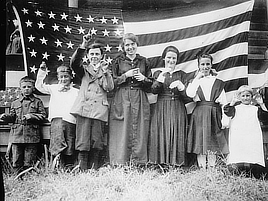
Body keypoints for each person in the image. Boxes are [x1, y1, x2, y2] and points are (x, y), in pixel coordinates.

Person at [70, 32, 114, 170]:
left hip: (99, 111)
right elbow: (74, 63)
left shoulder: (106, 70)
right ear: (88, 56)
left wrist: (106, 72)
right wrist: (84, 45)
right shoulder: (83, 70)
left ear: (102, 56)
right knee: (83, 141)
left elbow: (109, 87)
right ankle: (81, 169)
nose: (94, 57)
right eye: (92, 54)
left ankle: (94, 170)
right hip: (84, 109)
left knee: (97, 142)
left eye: (97, 54)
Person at [109, 33, 152, 165]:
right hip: (122, 96)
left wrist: (144, 79)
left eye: (132, 44)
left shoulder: (144, 61)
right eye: (127, 45)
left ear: (137, 45)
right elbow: (111, 83)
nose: (130, 47)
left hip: (139, 97)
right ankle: (120, 161)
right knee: (122, 127)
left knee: (139, 128)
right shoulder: (118, 61)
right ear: (123, 47)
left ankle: (138, 161)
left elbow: (152, 85)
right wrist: (125, 76)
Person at [186, 54, 228, 168]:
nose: (205, 67)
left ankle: (212, 168)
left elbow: (224, 101)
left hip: (214, 113)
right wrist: (197, 78)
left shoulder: (218, 82)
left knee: (212, 141)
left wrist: (225, 118)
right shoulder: (195, 81)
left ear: (211, 65)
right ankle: (202, 168)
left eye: (207, 64)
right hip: (199, 113)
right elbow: (190, 94)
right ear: (199, 66)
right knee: (200, 140)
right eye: (202, 64)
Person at [148, 46, 188, 166]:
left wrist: (181, 87)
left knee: (177, 132)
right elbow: (154, 90)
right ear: (164, 58)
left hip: (177, 106)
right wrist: (161, 78)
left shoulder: (182, 74)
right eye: (169, 57)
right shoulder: (158, 73)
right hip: (162, 106)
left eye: (174, 58)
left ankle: (177, 163)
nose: (171, 60)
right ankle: (161, 162)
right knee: (161, 131)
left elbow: (188, 97)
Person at [35, 62, 79, 167]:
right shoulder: (53, 88)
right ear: (58, 77)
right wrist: (42, 71)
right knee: (57, 142)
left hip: (71, 120)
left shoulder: (76, 91)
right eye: (61, 77)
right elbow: (38, 86)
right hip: (57, 120)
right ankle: (57, 165)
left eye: (66, 77)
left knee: (70, 141)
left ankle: (68, 166)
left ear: (71, 77)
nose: (63, 79)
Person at [0, 76, 46, 173]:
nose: (26, 89)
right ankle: (17, 177)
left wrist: (32, 116)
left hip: (32, 136)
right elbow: (12, 117)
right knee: (16, 160)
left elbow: (43, 116)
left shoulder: (37, 102)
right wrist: (6, 117)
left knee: (29, 161)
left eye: (29, 87)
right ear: (20, 88)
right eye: (24, 87)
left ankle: (28, 179)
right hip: (17, 135)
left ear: (33, 88)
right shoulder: (15, 103)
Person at [224, 85, 267, 168]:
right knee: (239, 152)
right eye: (243, 96)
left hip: (252, 134)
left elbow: (265, 117)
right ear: (239, 97)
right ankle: (238, 170)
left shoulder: (255, 109)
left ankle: (253, 169)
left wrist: (261, 104)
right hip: (239, 134)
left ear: (251, 96)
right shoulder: (235, 108)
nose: (245, 98)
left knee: (252, 151)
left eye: (248, 96)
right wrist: (232, 102)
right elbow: (227, 112)